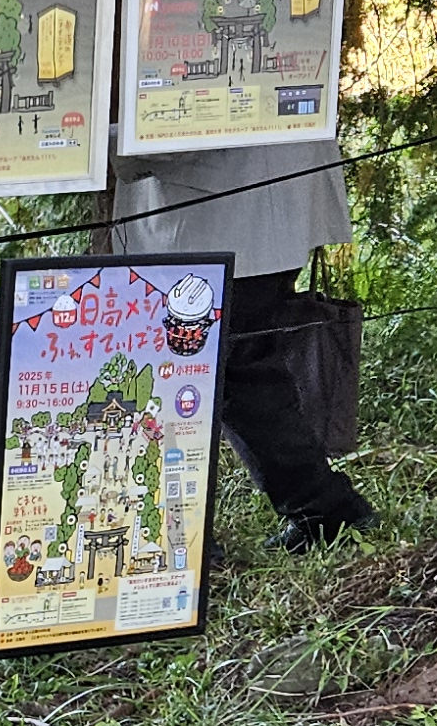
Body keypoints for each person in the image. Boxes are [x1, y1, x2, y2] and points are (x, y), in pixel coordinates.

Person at [114, 141, 375, 548]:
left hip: (226, 207)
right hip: (232, 206)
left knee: (226, 373)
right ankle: (323, 510)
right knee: (240, 373)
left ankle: (180, 535)